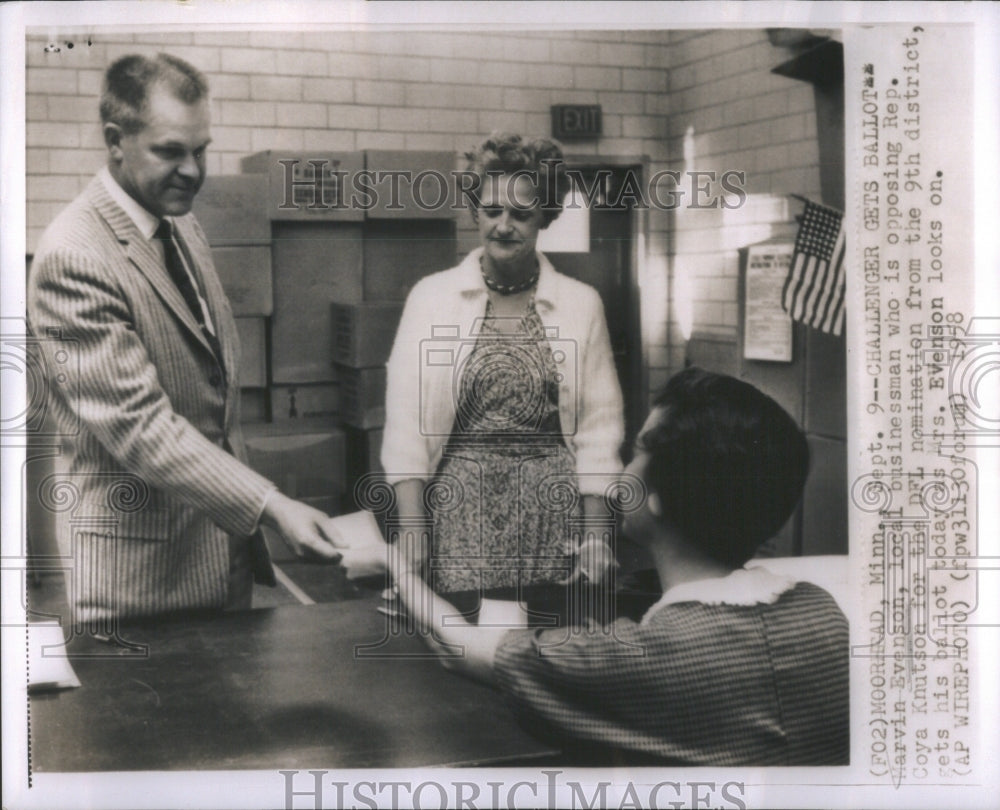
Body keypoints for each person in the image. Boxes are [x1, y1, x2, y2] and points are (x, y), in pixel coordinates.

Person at [391, 368, 849, 766]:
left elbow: (456, 648)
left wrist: (399, 567)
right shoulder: (824, 613)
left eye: (636, 454)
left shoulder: (642, 656)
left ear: (657, 498)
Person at [27, 53, 341, 623]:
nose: (194, 171)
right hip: (139, 588)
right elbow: (142, 427)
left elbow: (210, 385)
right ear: (115, 140)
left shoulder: (180, 224)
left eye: (201, 150)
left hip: (220, 560)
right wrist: (271, 504)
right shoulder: (74, 255)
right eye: (171, 151)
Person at [380, 132, 624, 615]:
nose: (504, 226)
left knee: (546, 648)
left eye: (521, 213)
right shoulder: (431, 297)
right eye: (492, 211)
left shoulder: (581, 303)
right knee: (461, 652)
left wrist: (596, 539)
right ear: (475, 212)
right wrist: (411, 532)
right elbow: (405, 427)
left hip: (551, 518)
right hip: (459, 515)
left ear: (545, 216)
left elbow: (600, 430)